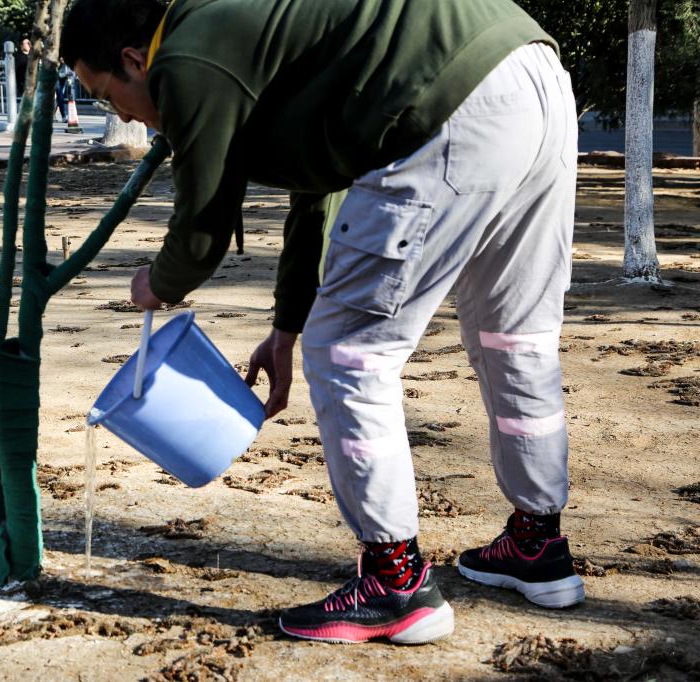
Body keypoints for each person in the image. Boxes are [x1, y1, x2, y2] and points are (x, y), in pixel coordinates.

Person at [61, 0, 584, 645]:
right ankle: (537, 543)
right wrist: (286, 329)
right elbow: (318, 190)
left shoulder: (186, 57)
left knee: (350, 356)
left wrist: (158, 283)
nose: (119, 115)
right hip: (531, 72)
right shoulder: (255, 32)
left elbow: (202, 226)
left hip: (445, 98)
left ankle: (396, 583)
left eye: (104, 95)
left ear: (134, 60)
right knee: (514, 337)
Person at [56, 58, 74, 123]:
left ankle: (62, 116)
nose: (62, 59)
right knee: (60, 95)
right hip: (56, 76)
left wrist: (70, 79)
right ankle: (63, 116)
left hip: (64, 77)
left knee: (60, 98)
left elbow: (71, 71)